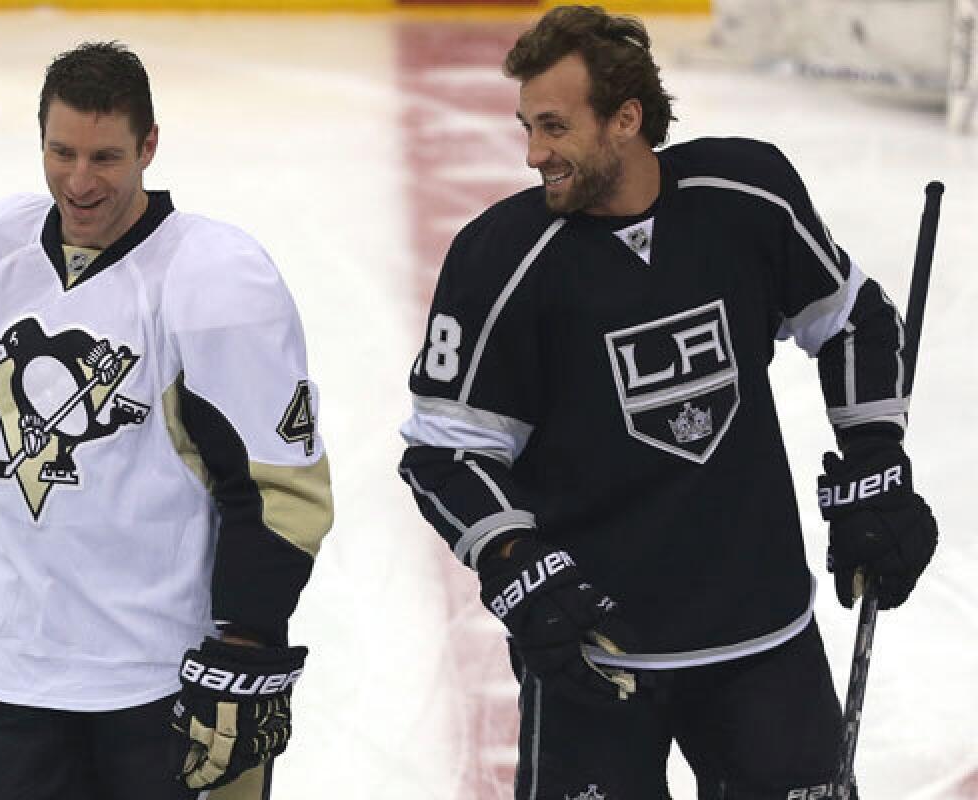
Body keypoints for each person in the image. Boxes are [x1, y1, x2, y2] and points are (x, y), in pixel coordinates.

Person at [397, 7, 938, 799]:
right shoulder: (500, 261)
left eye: (554, 126)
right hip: (595, 654)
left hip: (763, 641)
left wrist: (875, 467)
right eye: (526, 126)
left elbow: (853, 320)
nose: (533, 152)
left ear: (626, 119)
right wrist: (519, 568)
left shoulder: (744, 195)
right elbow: (445, 451)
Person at [0, 41, 332, 800]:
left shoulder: (217, 279)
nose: (79, 182)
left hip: (157, 685)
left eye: (106, 157)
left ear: (149, 145)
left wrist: (248, 639)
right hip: (1, 676)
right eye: (61, 153)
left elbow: (281, 492)